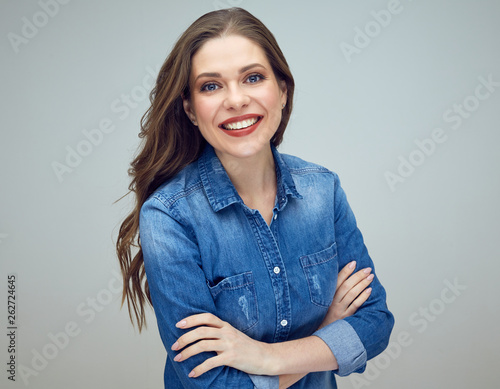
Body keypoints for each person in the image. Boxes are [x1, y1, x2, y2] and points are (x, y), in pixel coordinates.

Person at [116, 7, 394, 389]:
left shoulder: (322, 190)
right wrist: (327, 335)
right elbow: (211, 383)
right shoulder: (169, 217)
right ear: (190, 110)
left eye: (253, 77)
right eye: (211, 86)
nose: (236, 100)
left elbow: (375, 323)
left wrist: (266, 357)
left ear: (282, 91)